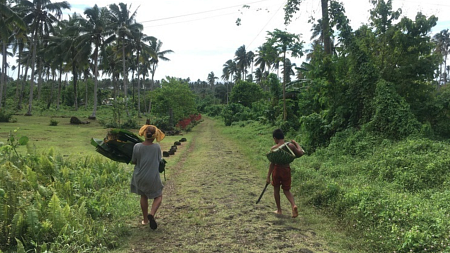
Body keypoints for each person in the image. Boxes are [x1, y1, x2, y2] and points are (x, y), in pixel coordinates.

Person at [130, 124, 165, 229]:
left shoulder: (137, 146)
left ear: (144, 134)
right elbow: (159, 161)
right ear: (155, 136)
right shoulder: (157, 147)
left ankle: (145, 220)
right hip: (152, 176)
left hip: (139, 176)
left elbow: (134, 161)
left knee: (143, 196)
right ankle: (152, 214)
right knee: (158, 196)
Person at [266, 128, 304, 218]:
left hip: (277, 170)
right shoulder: (290, 146)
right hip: (286, 169)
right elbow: (300, 153)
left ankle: (279, 210)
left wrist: (268, 177)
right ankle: (293, 205)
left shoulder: (274, 148)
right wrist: (296, 143)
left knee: (276, 189)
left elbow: (272, 163)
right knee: (286, 190)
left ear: (275, 138)